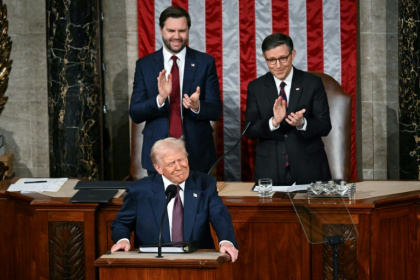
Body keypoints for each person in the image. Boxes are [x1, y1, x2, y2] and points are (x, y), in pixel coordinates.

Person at [110, 137, 238, 262]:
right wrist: (122, 240)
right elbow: (121, 223)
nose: (179, 167)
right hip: (152, 264)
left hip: (197, 261)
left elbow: (220, 216)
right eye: (171, 163)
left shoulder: (205, 184)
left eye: (181, 159)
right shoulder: (139, 191)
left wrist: (226, 241)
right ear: (158, 168)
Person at [129, 6, 221, 175]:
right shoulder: (145, 65)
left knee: (198, 201)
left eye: (182, 31)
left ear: (188, 30)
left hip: (196, 154)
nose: (177, 36)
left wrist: (197, 106)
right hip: (158, 155)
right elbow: (135, 112)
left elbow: (216, 111)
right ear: (161, 30)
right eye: (171, 30)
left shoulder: (205, 62)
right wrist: (160, 99)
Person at [244, 33, 332, 185]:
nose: (278, 65)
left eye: (283, 58)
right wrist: (273, 122)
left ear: (293, 54)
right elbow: (250, 130)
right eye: (271, 60)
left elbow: (325, 126)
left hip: (309, 169)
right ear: (264, 58)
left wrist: (302, 123)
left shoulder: (313, 83)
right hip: (269, 172)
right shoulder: (256, 87)